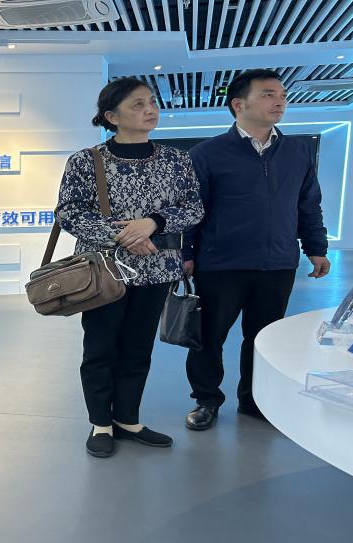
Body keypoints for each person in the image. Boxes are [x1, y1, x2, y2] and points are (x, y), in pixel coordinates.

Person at [57, 77, 203, 458]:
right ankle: (100, 423)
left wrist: (153, 222)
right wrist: (124, 235)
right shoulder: (86, 161)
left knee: (139, 347)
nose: (150, 109)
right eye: (138, 104)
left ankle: (127, 419)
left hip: (157, 269)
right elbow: (69, 212)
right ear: (112, 116)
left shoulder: (176, 160)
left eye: (151, 102)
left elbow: (193, 208)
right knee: (101, 345)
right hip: (104, 269)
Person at [182, 68, 331, 432]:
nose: (279, 102)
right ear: (239, 104)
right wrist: (186, 254)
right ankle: (206, 400)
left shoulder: (296, 152)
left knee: (263, 338)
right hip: (220, 264)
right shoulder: (207, 154)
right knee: (208, 338)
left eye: (282, 95)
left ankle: (254, 400)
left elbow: (308, 205)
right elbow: (189, 210)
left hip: (277, 263)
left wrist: (316, 247)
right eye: (268, 94)